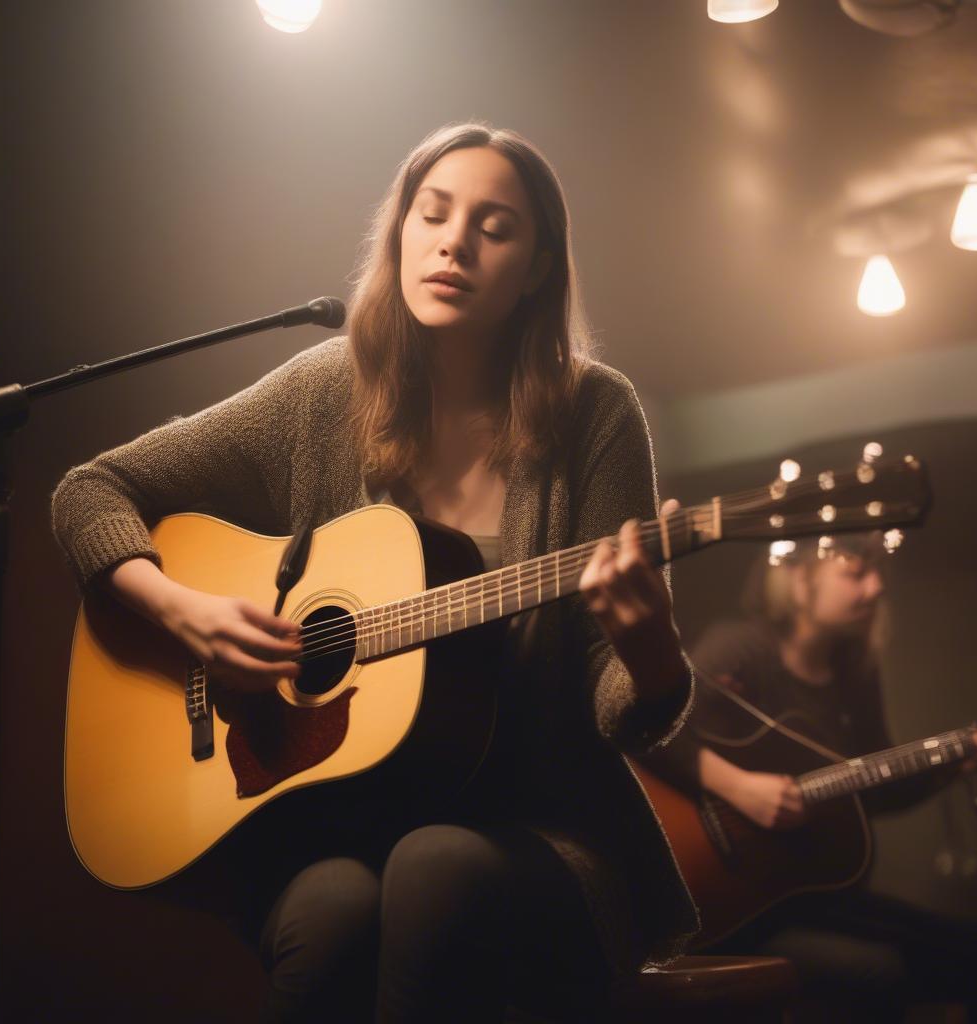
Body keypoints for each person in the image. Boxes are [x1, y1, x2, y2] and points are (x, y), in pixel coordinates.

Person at [51, 122, 698, 1023]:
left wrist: (653, 649)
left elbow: (615, 700)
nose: (453, 242)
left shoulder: (596, 413)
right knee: (331, 909)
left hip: (546, 830)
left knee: (433, 868)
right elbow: (91, 490)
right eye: (432, 214)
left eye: (494, 226)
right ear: (398, 231)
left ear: (539, 267)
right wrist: (182, 611)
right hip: (341, 820)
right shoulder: (326, 392)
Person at [648, 534, 977, 1022]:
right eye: (856, 572)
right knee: (882, 969)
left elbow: (876, 786)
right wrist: (740, 788)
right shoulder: (738, 650)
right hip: (731, 902)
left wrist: (965, 756)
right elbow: (656, 733)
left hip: (810, 896)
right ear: (800, 575)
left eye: (880, 575)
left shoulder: (855, 671)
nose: (875, 588)